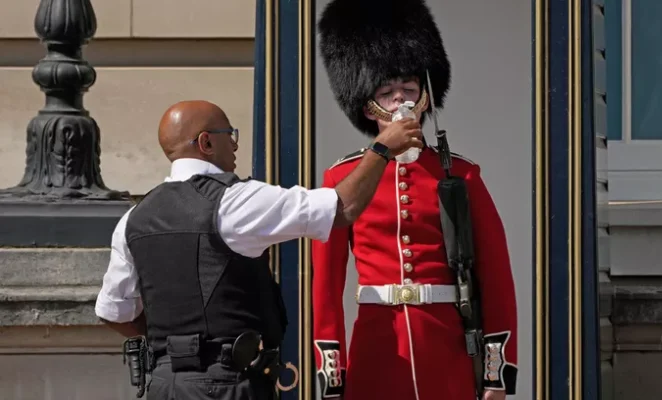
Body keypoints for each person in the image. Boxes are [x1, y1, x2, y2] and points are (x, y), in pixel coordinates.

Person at [93, 99, 423, 400]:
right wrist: (381, 149)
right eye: (229, 134)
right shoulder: (234, 201)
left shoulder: (133, 219)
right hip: (226, 384)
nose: (236, 144)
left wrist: (177, 343)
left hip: (164, 385)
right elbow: (343, 208)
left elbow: (114, 312)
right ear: (206, 142)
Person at [311, 1, 518, 399]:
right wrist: (332, 370)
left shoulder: (461, 173)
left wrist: (495, 370)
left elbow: (496, 277)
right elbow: (327, 285)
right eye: (387, 92)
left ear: (425, 96)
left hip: (445, 344)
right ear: (368, 104)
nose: (400, 100)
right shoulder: (342, 178)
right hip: (377, 343)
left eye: (408, 88)